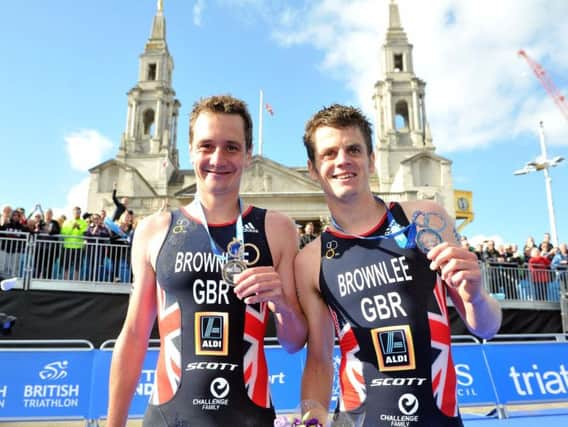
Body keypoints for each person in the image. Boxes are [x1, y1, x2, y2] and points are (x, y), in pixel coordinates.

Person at [294, 104, 502, 426]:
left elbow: (486, 328)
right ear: (312, 168)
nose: (342, 160)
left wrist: (475, 295)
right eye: (329, 153)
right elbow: (319, 362)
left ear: (371, 159)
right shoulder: (310, 260)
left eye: (353, 149)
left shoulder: (426, 219)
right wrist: (311, 416)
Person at [107, 95, 307, 427]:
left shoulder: (277, 228)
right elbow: (134, 335)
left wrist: (282, 303)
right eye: (206, 146)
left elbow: (293, 341)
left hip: (249, 418)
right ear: (190, 150)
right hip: (169, 418)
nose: (218, 158)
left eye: (231, 146)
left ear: (248, 153)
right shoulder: (155, 229)